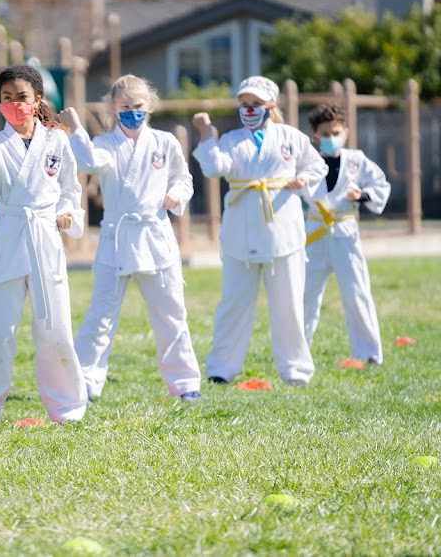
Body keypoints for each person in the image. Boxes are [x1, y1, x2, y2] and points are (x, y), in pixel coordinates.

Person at [0, 65, 87, 426]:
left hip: (44, 235)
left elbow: (70, 188)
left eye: (21, 97)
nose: (14, 104)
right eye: (6, 98)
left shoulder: (57, 141)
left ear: (38, 99)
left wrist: (67, 211)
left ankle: (67, 407)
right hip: (10, 233)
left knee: (55, 328)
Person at [58, 75, 202, 401]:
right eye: (125, 107)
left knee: (171, 312)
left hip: (155, 234)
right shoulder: (107, 144)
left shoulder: (164, 142)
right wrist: (77, 128)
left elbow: (183, 178)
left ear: (149, 106)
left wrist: (176, 196)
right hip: (117, 237)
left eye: (138, 106)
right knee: (101, 315)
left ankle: (185, 383)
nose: (132, 112)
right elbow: (89, 161)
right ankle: (84, 383)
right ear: (114, 108)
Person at [193, 76, 327, 386]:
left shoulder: (290, 137)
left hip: (283, 230)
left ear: (271, 105)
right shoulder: (230, 139)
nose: (249, 110)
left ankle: (296, 371)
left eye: (255, 104)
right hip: (241, 231)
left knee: (289, 304)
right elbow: (215, 168)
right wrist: (204, 133)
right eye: (244, 104)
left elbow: (316, 166)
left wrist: (302, 180)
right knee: (234, 302)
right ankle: (221, 369)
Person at [303, 103, 391, 364]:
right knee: (305, 297)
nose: (331, 138)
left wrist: (362, 196)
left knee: (357, 293)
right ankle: (298, 355)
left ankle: (368, 354)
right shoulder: (308, 163)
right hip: (314, 235)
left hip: (345, 235)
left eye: (336, 132)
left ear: (346, 133)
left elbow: (381, 185)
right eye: (325, 134)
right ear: (315, 137)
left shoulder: (357, 160)